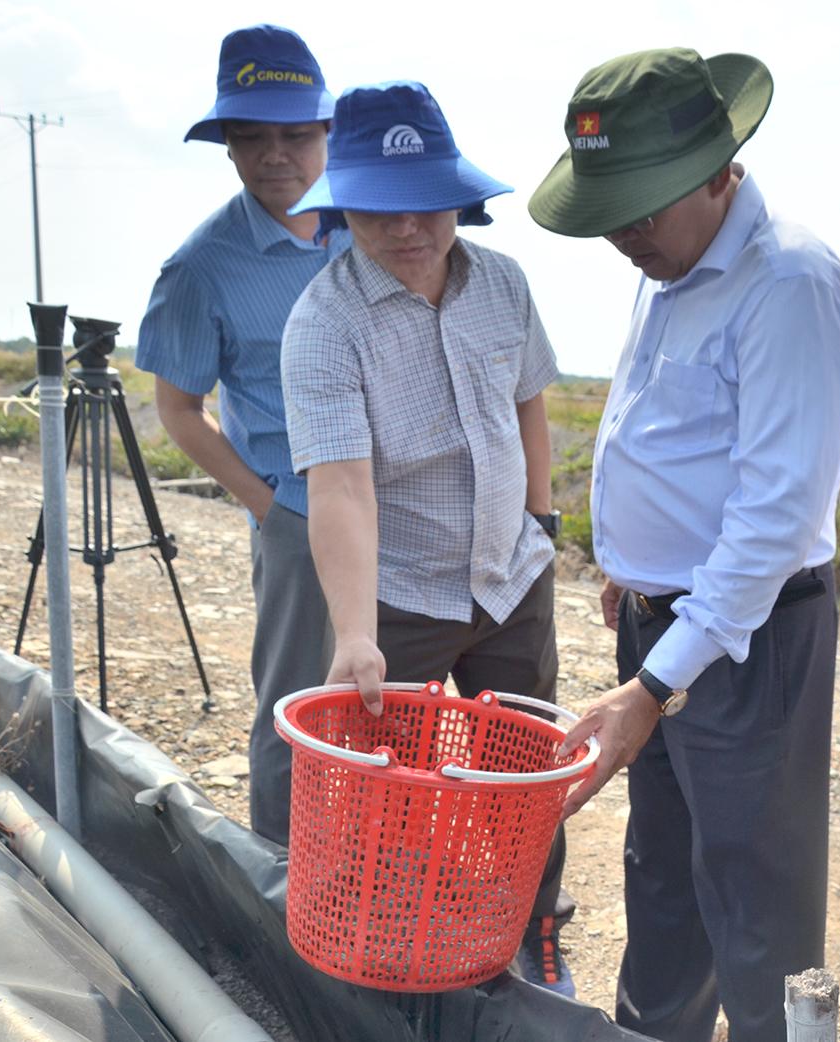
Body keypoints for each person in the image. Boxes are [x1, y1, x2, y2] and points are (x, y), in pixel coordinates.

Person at [530, 49, 840, 1042]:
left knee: (755, 904)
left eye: (641, 211)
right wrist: (630, 580)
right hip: (667, 627)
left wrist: (651, 684)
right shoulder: (672, 264)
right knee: (666, 878)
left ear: (722, 169)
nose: (624, 237)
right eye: (612, 215)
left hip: (744, 641)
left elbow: (772, 518)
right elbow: (673, 442)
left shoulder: (789, 285)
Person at [279, 81, 576, 996]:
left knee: (524, 783)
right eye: (377, 210)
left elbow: (529, 403)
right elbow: (340, 484)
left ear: (458, 195)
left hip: (507, 579)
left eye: (426, 206)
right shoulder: (324, 325)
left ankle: (532, 932)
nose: (408, 229)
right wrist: (355, 631)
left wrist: (542, 521)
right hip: (402, 590)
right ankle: (387, 954)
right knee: (386, 793)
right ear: (344, 206)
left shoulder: (504, 284)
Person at [136, 24, 347, 847]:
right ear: (226, 146)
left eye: (297, 133)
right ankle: (284, 884)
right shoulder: (203, 266)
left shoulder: (370, 230)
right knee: (296, 706)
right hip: (298, 512)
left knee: (390, 697)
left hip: (399, 507)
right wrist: (269, 508)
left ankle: (368, 875)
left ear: (328, 134)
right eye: (252, 137)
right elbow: (179, 408)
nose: (276, 155)